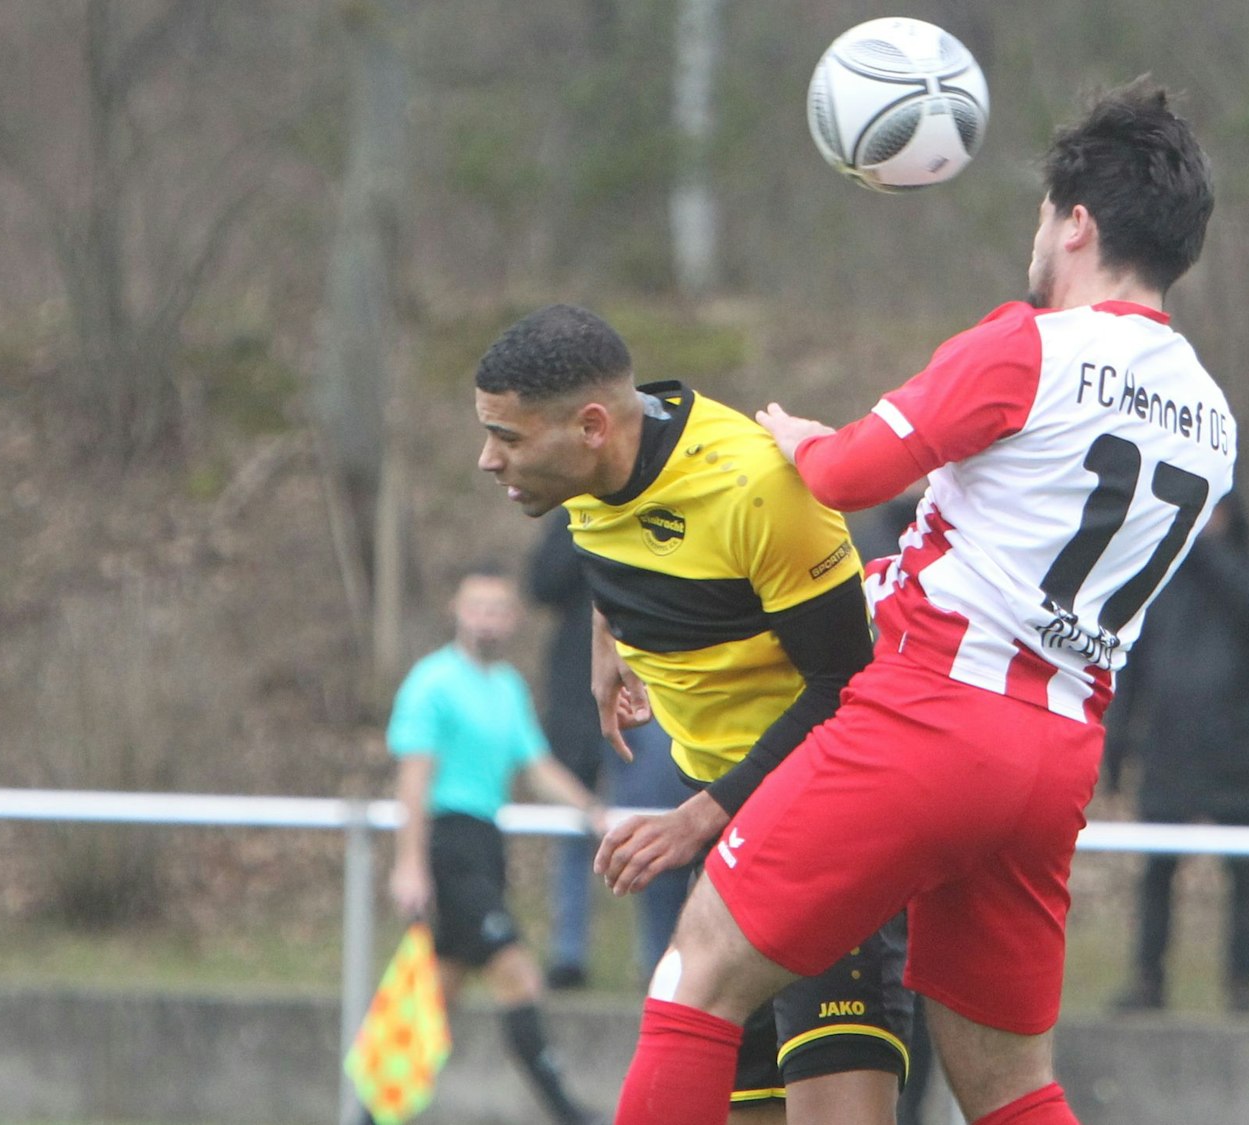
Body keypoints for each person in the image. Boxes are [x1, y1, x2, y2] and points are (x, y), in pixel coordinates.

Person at [608, 79, 1229, 1125]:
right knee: (1011, 1087)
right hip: (1055, 754)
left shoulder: (1027, 345)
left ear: (1075, 223)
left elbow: (851, 476)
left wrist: (800, 439)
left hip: (931, 720)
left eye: (1044, 214)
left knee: (696, 974)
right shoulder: (1211, 416)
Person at [473, 304, 913, 1124]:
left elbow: (848, 691)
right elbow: (625, 531)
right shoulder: (583, 478)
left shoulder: (756, 489)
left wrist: (696, 818)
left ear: (593, 425)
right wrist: (614, 639)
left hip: (832, 823)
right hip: (738, 840)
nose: (487, 458)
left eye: (508, 436)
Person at [381, 565, 610, 1125]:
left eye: (496, 609)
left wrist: (593, 812)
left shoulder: (507, 688)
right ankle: (570, 1114)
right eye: (475, 607)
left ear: (510, 619)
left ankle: (368, 1116)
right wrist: (409, 863)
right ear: (457, 612)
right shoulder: (432, 682)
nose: (486, 619)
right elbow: (413, 777)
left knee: (434, 996)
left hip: (486, 844)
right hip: (448, 843)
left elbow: (536, 767)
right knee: (519, 975)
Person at [1105, 493, 1249, 1016]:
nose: (1206, 524)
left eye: (1217, 512)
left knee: (1245, 873)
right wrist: (1116, 746)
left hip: (1238, 751)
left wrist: (1209, 555)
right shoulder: (1158, 581)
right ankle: (1148, 983)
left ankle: (1241, 987)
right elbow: (1129, 667)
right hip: (1169, 750)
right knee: (1158, 874)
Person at [524, 524, 692, 987]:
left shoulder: (660, 511)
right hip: (578, 696)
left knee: (651, 821)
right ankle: (568, 955)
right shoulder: (573, 518)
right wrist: (581, 530)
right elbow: (542, 584)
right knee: (575, 825)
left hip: (650, 696)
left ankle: (657, 956)